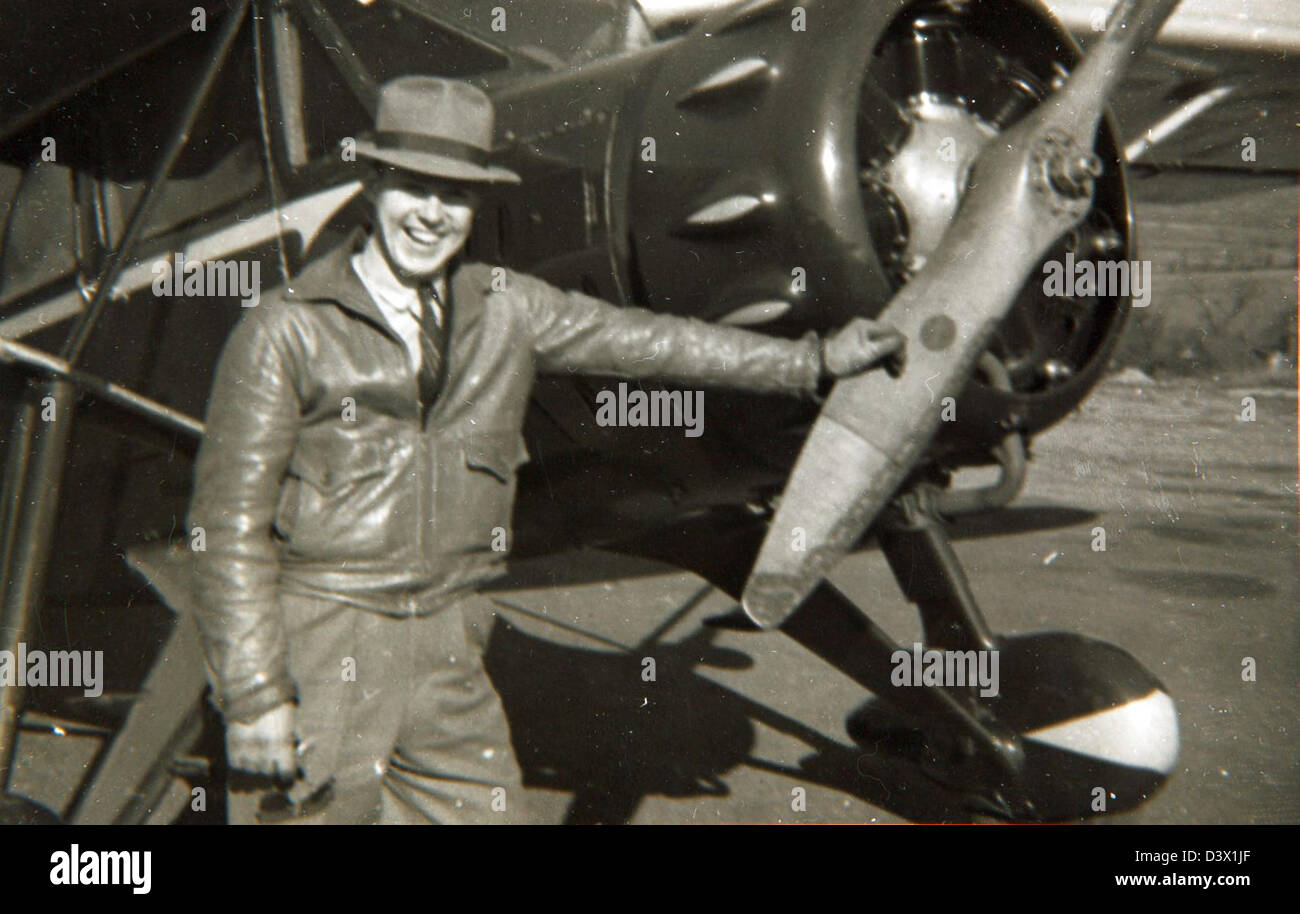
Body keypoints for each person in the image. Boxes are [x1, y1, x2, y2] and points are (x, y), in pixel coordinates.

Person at [188, 75, 904, 824]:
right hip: (323, 637)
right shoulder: (284, 329)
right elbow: (227, 525)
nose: (433, 215)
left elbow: (655, 344)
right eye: (414, 187)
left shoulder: (505, 307)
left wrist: (809, 363)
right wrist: (254, 692)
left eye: (456, 195)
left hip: (448, 642)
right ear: (373, 183)